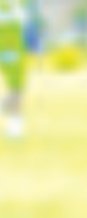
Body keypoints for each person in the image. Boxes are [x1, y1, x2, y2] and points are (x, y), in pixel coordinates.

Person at [0, 0, 36, 141]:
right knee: (16, 90)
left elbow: (25, 25)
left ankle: (15, 127)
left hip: (16, 50)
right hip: (8, 50)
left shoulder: (18, 6)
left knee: (17, 89)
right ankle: (15, 128)